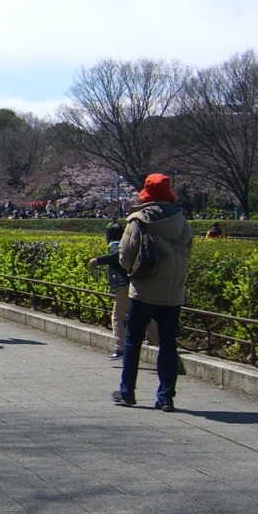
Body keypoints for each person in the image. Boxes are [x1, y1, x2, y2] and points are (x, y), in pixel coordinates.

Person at [112, 173, 193, 412]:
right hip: (173, 292)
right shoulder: (182, 221)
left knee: (133, 340)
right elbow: (187, 253)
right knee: (167, 343)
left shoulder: (139, 220)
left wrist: (132, 270)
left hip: (144, 289)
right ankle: (166, 397)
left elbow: (125, 256)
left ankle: (127, 391)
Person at [89, 222, 156, 359]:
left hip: (122, 285)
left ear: (108, 235)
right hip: (132, 284)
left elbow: (116, 256)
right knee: (142, 315)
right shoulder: (126, 244)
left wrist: (98, 260)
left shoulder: (115, 245)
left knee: (117, 317)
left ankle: (120, 348)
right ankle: (162, 342)